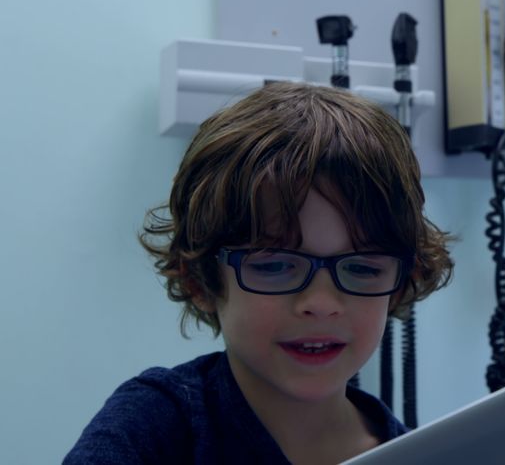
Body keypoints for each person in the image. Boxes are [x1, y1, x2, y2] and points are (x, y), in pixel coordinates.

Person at [65, 82, 453, 464]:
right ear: (199, 279)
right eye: (275, 265)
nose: (320, 304)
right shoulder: (156, 427)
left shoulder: (417, 454)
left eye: (363, 268)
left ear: (402, 282)